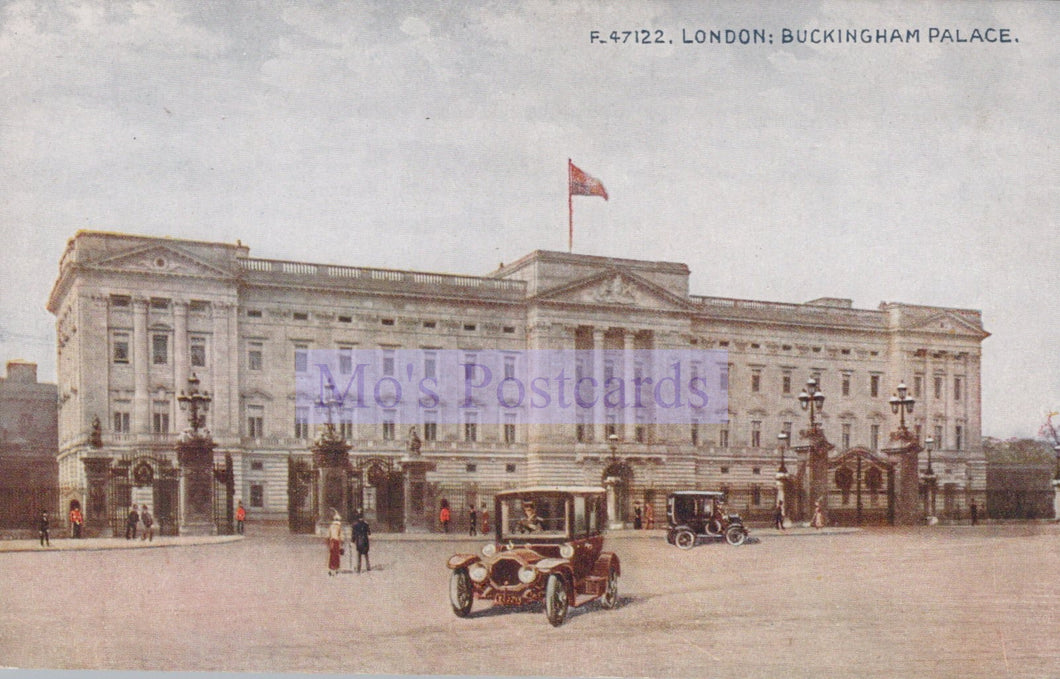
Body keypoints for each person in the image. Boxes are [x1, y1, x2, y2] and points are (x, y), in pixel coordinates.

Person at [327, 511, 343, 576]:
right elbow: (341, 536)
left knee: (331, 556)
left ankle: (331, 569)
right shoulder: (339, 527)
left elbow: (328, 535)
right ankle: (336, 569)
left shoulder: (331, 526)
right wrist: (342, 543)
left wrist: (328, 543)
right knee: (336, 556)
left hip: (332, 542)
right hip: (337, 542)